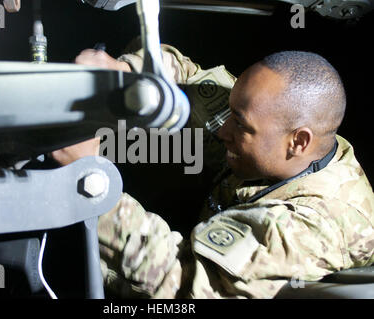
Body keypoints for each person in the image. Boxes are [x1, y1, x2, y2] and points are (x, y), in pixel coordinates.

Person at [52, 44, 374, 298]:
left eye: (240, 125)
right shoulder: (270, 118)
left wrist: (91, 178)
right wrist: (124, 70)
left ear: (298, 142)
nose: (223, 131)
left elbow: (180, 284)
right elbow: (185, 72)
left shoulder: (308, 229)